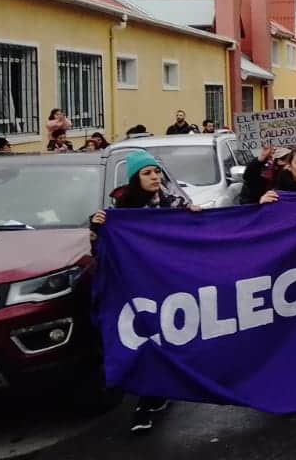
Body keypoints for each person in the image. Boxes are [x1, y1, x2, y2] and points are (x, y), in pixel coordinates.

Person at [89, 150, 201, 432]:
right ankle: (145, 401)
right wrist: (98, 228)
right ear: (135, 179)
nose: (154, 177)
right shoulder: (121, 211)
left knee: (167, 338)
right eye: (147, 173)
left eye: (156, 172)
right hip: (138, 285)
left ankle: (160, 392)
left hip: (169, 283)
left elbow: (192, 237)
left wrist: (194, 216)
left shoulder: (173, 202)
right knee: (145, 339)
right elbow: (103, 251)